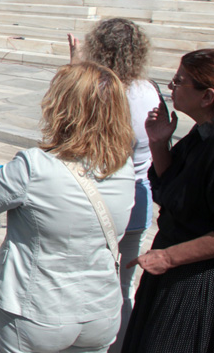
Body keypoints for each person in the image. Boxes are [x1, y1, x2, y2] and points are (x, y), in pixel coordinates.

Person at [0, 62, 136, 353]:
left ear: (61, 107)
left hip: (37, 309)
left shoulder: (33, 166)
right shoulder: (124, 165)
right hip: (101, 309)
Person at [122, 49, 214, 353]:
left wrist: (167, 258)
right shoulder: (208, 129)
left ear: (208, 96)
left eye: (180, 81)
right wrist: (159, 142)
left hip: (201, 279)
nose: (172, 86)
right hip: (177, 262)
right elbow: (173, 186)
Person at [67, 19, 157, 352]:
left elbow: (71, 132)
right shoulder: (150, 91)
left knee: (85, 280)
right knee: (122, 285)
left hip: (97, 201)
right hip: (138, 200)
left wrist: (75, 68)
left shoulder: (101, 91)